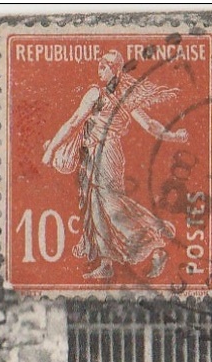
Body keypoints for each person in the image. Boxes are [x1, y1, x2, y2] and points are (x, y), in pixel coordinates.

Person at [41, 50, 190, 281]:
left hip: (105, 153)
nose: (99, 71)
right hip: (96, 154)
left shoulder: (98, 94)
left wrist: (51, 150)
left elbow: (73, 123)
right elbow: (149, 125)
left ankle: (154, 245)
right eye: (99, 66)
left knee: (111, 204)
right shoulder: (123, 96)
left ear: (114, 69)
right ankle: (106, 262)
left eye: (104, 67)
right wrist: (174, 136)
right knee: (96, 206)